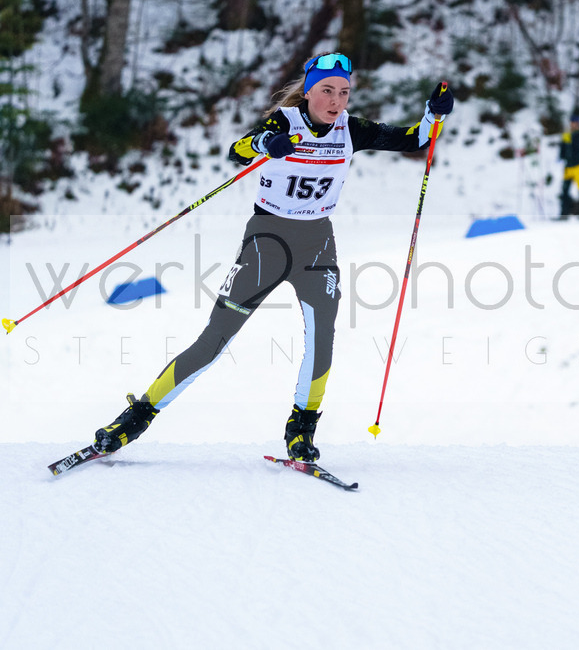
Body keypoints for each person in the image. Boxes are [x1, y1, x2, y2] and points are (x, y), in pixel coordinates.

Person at [91, 52, 454, 462]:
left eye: (344, 92)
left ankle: (301, 430)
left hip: (317, 244)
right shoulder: (285, 122)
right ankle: (135, 419)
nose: (336, 101)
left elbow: (415, 139)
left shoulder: (351, 129)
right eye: (327, 91)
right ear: (309, 91)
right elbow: (238, 150)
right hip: (267, 241)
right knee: (215, 337)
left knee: (322, 339)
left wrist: (433, 114)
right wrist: (267, 143)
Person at [557, 113, 579, 219]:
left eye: (576, 123)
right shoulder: (567, 134)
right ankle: (564, 214)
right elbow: (563, 147)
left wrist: (571, 140)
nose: (574, 125)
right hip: (568, 166)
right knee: (565, 190)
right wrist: (561, 156)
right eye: (572, 123)